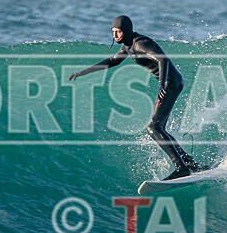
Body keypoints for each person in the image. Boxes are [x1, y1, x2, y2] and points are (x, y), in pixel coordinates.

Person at [68, 15, 201, 180]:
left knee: (154, 128)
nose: (115, 36)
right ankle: (191, 165)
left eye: (118, 32)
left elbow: (162, 59)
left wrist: (162, 86)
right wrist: (83, 72)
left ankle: (181, 167)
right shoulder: (128, 46)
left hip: (171, 83)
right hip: (171, 82)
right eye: (113, 32)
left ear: (126, 31)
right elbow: (112, 61)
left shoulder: (140, 43)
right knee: (159, 128)